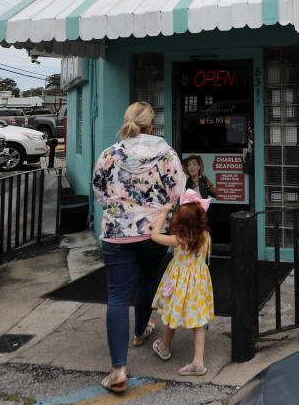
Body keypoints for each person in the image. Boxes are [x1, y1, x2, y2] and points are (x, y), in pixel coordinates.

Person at [92, 102, 186, 393]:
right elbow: (179, 194)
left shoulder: (109, 154)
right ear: (150, 126)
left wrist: (120, 212)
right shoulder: (166, 155)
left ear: (127, 122)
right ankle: (139, 331)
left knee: (118, 296)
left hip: (116, 233)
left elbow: (99, 193)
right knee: (148, 282)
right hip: (154, 234)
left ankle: (118, 369)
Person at [149, 189, 215, 376]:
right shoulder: (205, 236)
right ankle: (198, 362)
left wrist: (163, 213)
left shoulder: (180, 239)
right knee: (199, 321)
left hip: (179, 282)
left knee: (172, 313)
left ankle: (165, 347)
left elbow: (154, 236)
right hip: (199, 281)